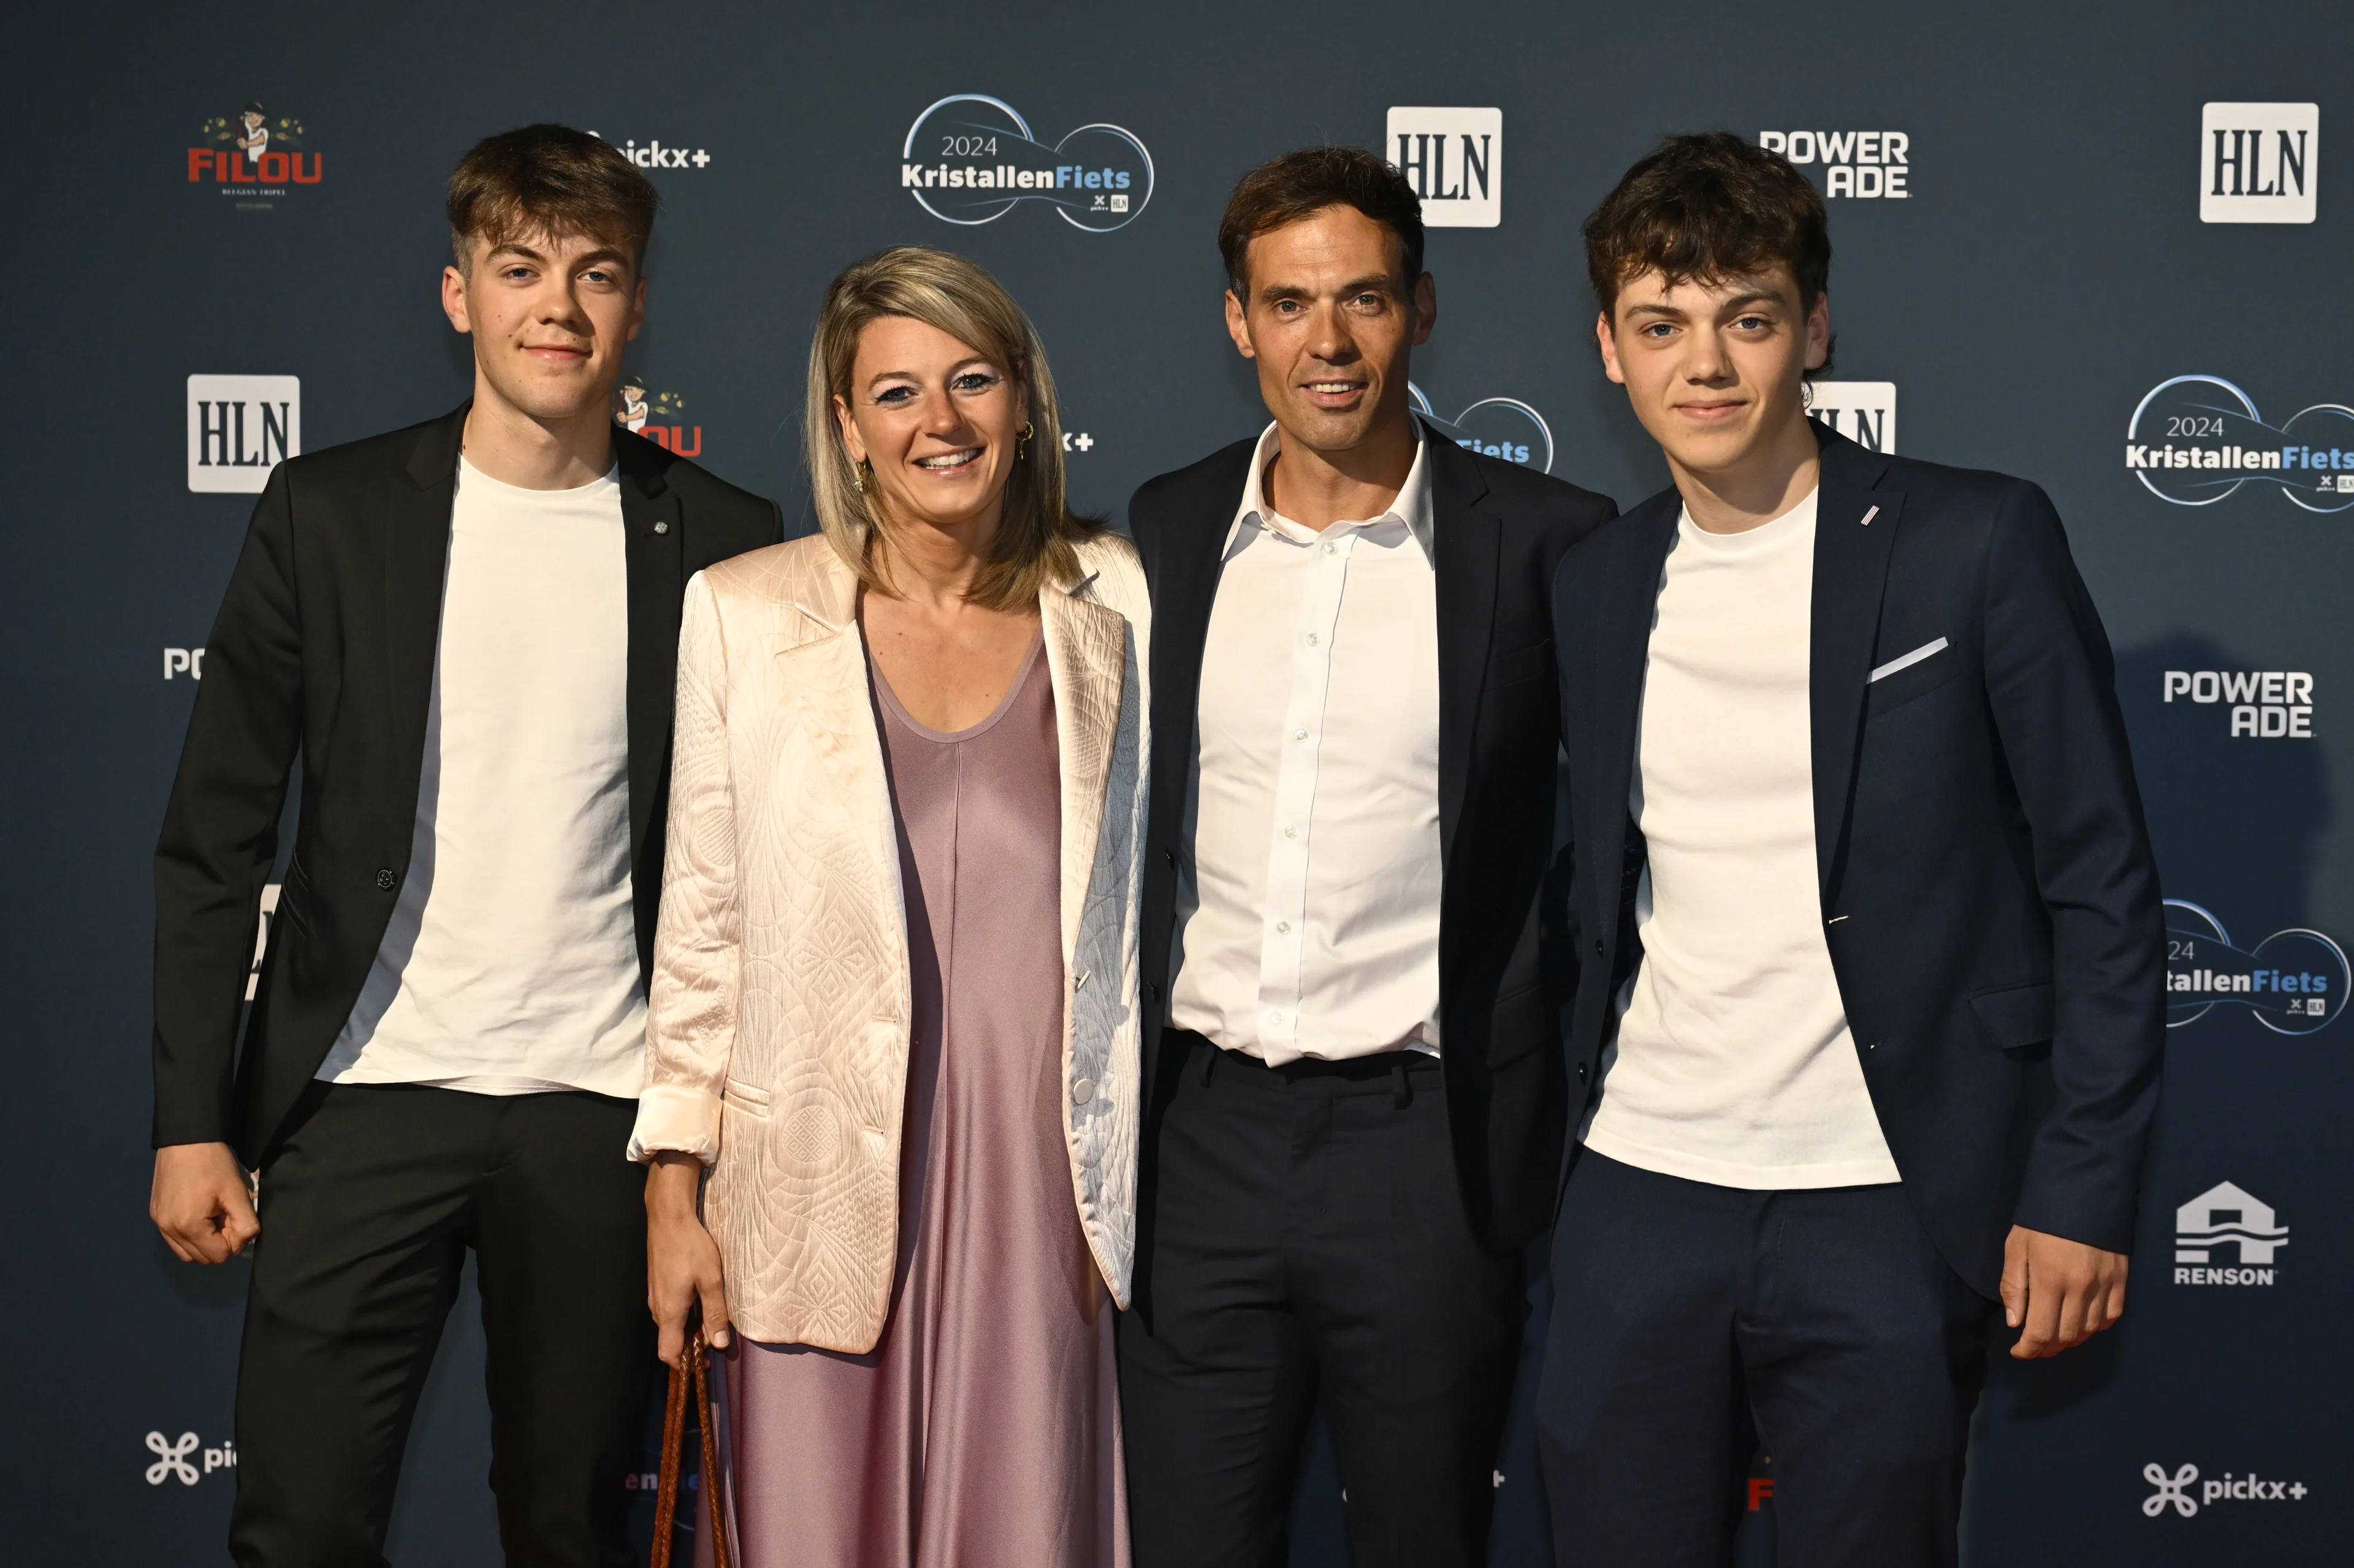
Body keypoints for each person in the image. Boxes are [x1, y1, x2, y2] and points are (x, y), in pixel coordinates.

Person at [148, 123, 782, 1567]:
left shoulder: (722, 538)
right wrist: (194, 1115)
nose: (556, 307)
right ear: (460, 298)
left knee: (569, 1531)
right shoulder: (329, 512)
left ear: (637, 306)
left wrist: (701, 1151)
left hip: (596, 1116)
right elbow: (212, 835)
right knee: (299, 1528)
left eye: (596, 274)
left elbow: (747, 871)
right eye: (519, 269)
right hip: (362, 1095)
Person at [1539, 132, 2164, 1567]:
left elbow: (2105, 887)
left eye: (1745, 320)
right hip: (1641, 1185)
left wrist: (2078, 1188)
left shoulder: (1976, 541)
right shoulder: (1596, 579)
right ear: (1611, 351)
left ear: (1812, 330)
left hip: (1889, 1194)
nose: (1706, 365)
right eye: (1662, 327)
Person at [1118, 147, 1617, 1568]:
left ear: (1424, 309)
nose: (1326, 343)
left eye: (1363, 301)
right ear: (1238, 322)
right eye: (1288, 303)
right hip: (1197, 1146)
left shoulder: (1548, 543)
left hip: (1429, 1152)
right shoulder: (1166, 529)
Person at [634, 245, 1149, 1568]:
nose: (942, 422)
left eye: (973, 381)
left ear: (1025, 403)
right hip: (809, 1183)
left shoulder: (1117, 604)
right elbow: (703, 927)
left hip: (1039, 1201)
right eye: (900, 393)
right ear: (851, 429)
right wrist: (674, 1196)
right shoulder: (745, 615)